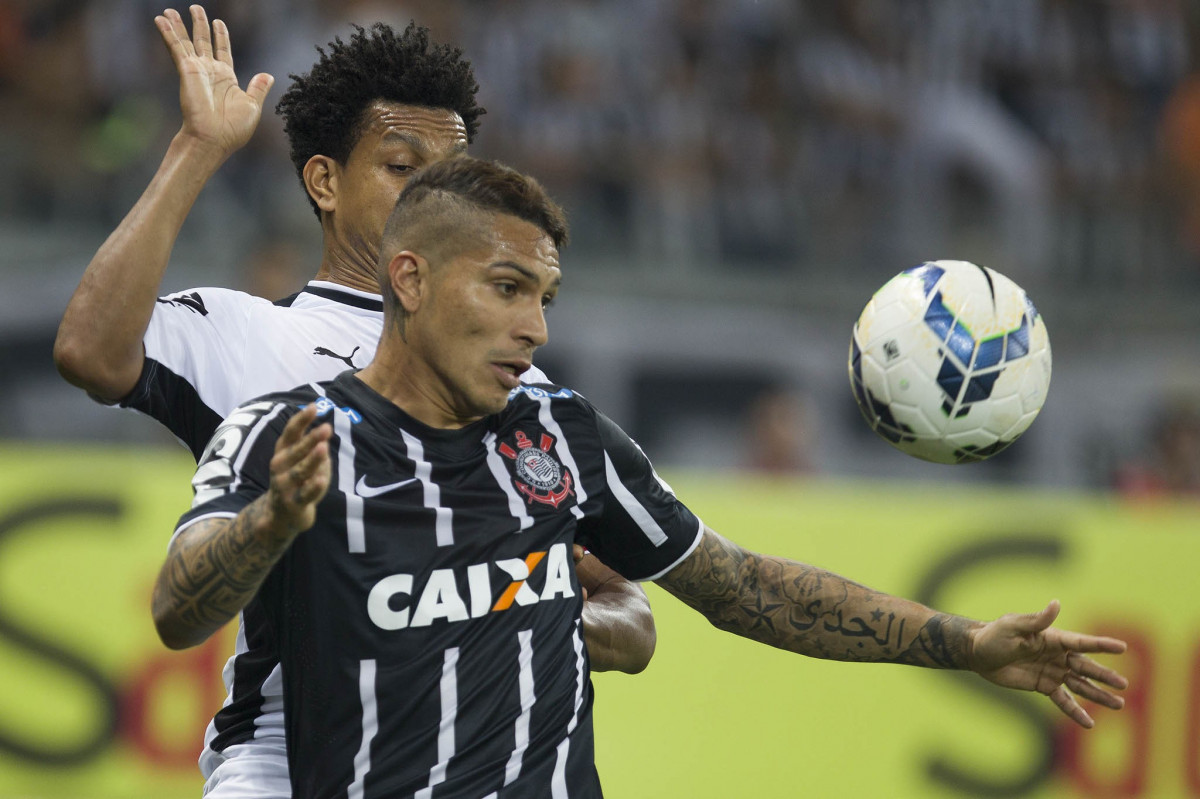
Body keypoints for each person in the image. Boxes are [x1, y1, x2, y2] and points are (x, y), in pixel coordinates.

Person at [154, 156, 1128, 799]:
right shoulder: (292, 431)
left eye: (545, 297)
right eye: (505, 289)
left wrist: (960, 643)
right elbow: (177, 609)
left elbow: (739, 587)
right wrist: (271, 523)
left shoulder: (561, 438)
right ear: (408, 280)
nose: (535, 327)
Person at [52, 6, 653, 796]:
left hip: (462, 761)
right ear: (325, 181)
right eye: (404, 166)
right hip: (285, 755)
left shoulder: (518, 385)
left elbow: (630, 613)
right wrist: (199, 148)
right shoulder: (249, 334)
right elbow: (90, 351)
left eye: (453, 173)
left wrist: (523, 611)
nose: (436, 193)